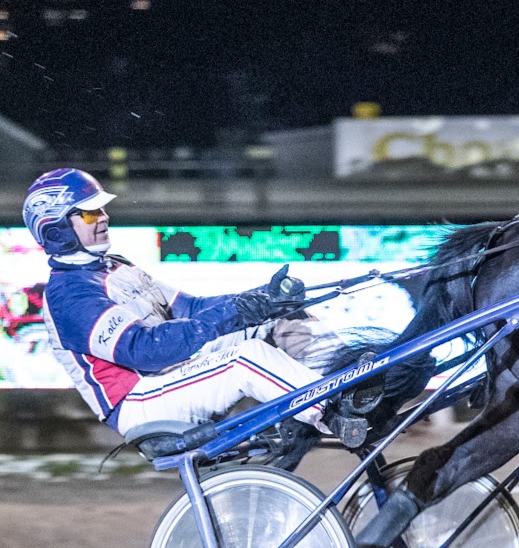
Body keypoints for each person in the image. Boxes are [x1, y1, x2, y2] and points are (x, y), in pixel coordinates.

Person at [23, 167, 366, 452]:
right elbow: (146, 351)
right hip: (139, 401)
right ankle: (334, 412)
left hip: (168, 377)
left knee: (279, 317)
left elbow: (191, 308)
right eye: (90, 212)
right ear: (56, 228)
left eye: (101, 209)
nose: (104, 217)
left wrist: (264, 298)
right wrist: (236, 313)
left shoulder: (115, 266)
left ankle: (355, 381)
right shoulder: (70, 295)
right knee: (247, 358)